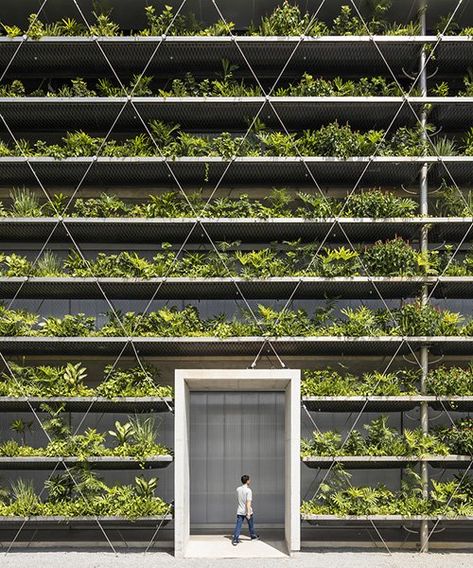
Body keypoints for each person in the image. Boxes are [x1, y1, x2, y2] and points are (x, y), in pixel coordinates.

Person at [231, 474, 259, 546]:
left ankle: (235, 539)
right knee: (251, 525)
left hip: (240, 511)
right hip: (247, 511)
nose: (250, 481)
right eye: (249, 479)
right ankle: (253, 537)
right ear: (247, 481)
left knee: (238, 525)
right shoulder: (249, 491)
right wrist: (248, 513)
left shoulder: (238, 489)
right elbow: (248, 502)